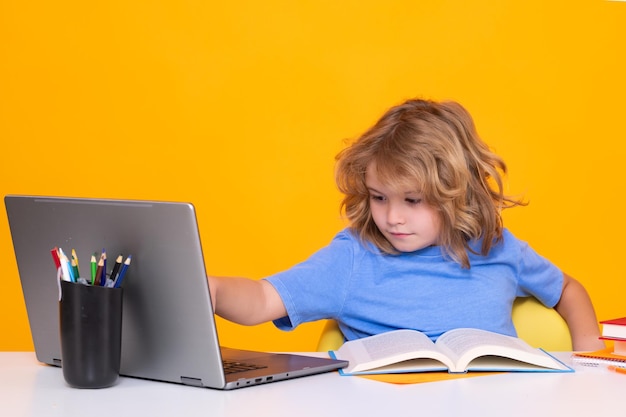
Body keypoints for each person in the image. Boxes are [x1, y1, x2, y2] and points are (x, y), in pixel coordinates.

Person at [209, 98, 604, 351]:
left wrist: (589, 355)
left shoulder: (497, 248)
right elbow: (262, 299)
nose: (392, 217)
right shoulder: (353, 257)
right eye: (379, 197)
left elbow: (566, 288)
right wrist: (208, 289)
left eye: (412, 201)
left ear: (455, 193)